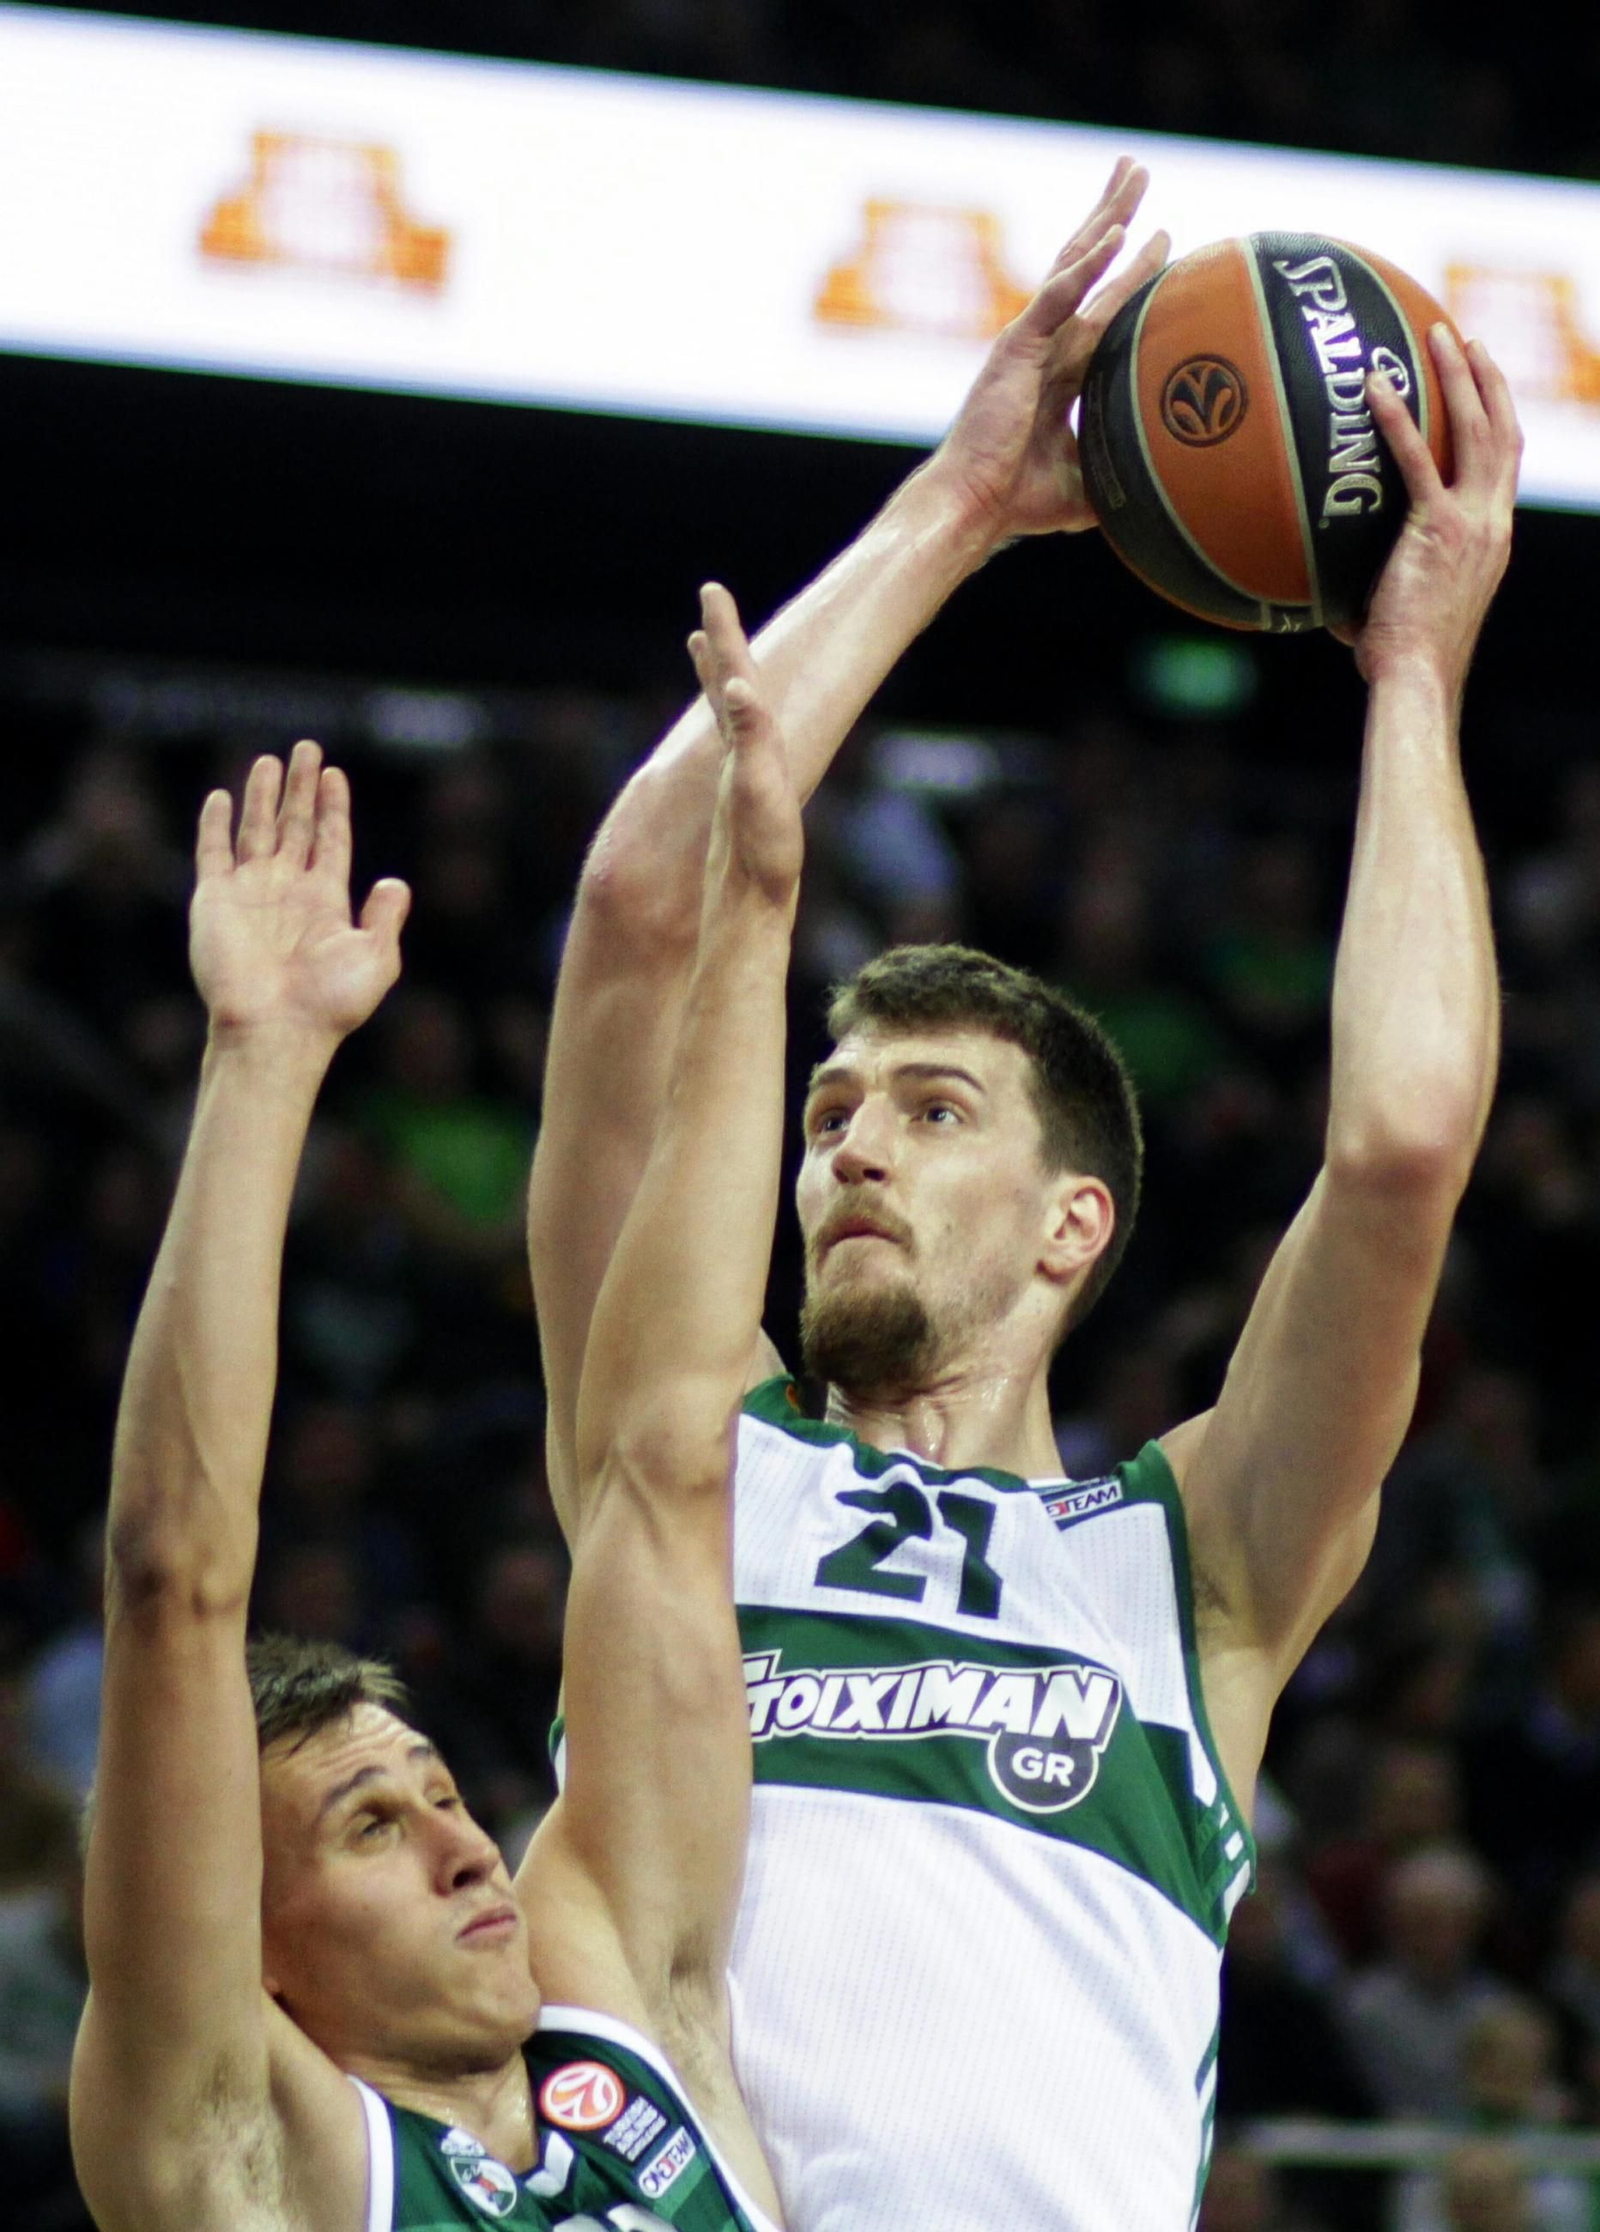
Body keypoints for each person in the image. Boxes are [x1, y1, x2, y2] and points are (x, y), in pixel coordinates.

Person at [527, 155, 1523, 2228]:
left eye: (929, 1111)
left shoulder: (1195, 1564)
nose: (847, 1143)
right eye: (825, 1112)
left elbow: (1404, 1145)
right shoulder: (690, 1456)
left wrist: (1413, 677)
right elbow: (639, 916)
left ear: (1073, 1227)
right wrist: (958, 506)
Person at [68, 730, 797, 2232]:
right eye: (371, 1829)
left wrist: (760, 916)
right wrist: (264, 1066)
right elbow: (172, 1582)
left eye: (441, 1795)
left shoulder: (636, 2030)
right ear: (250, 1949)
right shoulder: (267, 2161)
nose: (473, 1847)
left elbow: (671, 1462)